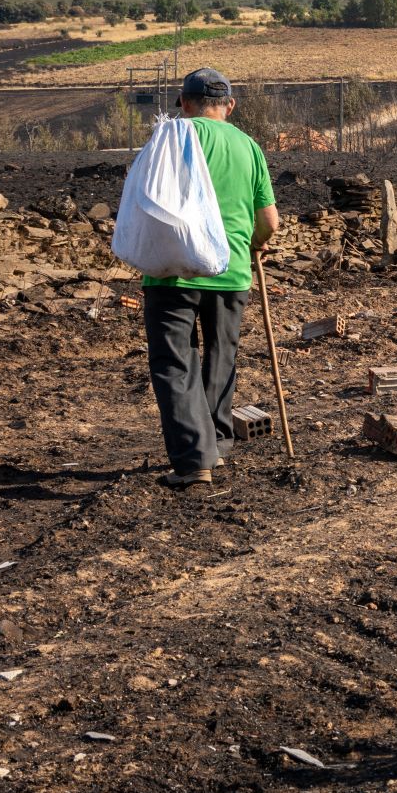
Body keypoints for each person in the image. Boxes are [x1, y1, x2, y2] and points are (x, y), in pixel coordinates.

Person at [142, 68, 279, 489]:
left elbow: (145, 202)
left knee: (175, 363)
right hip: (232, 271)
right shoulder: (248, 146)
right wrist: (254, 244)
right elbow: (270, 221)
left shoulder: (169, 140)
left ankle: (192, 461)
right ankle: (217, 445)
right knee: (222, 357)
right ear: (230, 106)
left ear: (183, 103)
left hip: (173, 274)